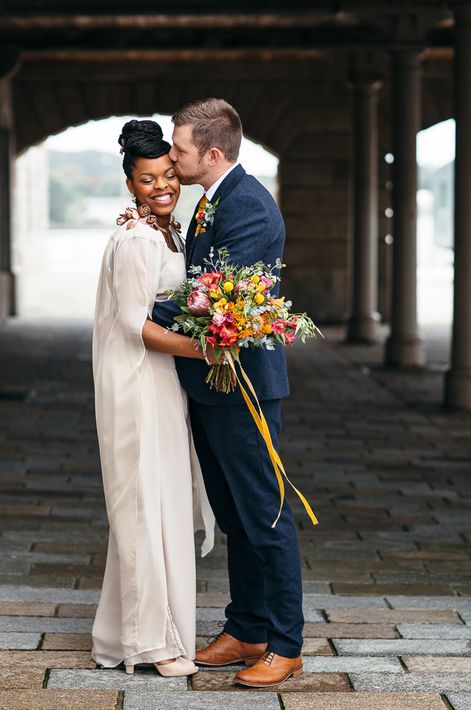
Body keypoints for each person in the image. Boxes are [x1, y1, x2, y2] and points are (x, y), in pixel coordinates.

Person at [152, 98, 304, 688]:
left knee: (265, 514)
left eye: (180, 149)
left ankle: (285, 643)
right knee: (235, 514)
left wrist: (139, 307)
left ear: (212, 154)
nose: (172, 155)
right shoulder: (211, 201)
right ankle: (247, 627)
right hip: (212, 386)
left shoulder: (249, 207)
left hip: (242, 386)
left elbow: (210, 301)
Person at [91, 119, 214, 678]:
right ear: (130, 185)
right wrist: (206, 350)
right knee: (144, 506)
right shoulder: (139, 237)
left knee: (158, 503)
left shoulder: (165, 230)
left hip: (160, 381)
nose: (163, 186)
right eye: (148, 181)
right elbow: (134, 324)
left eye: (169, 175)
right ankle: (152, 644)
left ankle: (128, 633)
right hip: (139, 381)